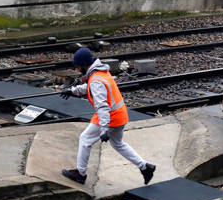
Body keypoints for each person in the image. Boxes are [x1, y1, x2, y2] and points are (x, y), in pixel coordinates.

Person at [60, 47, 156, 185]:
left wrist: (104, 129)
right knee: (118, 143)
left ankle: (80, 174)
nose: (77, 70)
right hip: (120, 114)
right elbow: (90, 87)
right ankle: (145, 167)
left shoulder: (96, 79)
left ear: (83, 65)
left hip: (110, 117)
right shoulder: (100, 72)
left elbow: (102, 105)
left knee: (85, 139)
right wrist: (73, 91)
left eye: (77, 67)